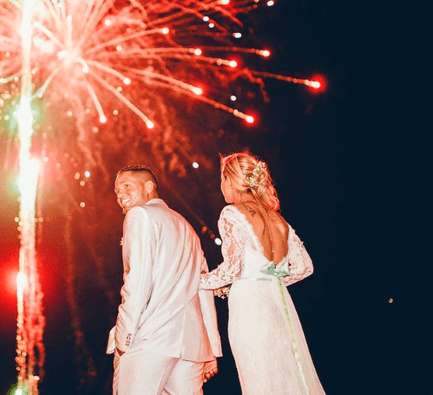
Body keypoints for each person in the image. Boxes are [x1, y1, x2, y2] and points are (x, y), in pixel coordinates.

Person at [201, 153, 326, 395]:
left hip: (251, 309)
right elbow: (304, 267)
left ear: (231, 180)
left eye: (222, 180)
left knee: (259, 378)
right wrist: (270, 280)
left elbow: (233, 268)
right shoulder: (278, 219)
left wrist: (198, 280)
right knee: (287, 376)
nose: (221, 187)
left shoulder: (231, 213)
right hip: (279, 303)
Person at [107, 165, 221, 395]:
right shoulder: (187, 226)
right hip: (191, 345)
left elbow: (137, 282)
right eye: (117, 191)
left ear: (149, 187)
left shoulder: (140, 215)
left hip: (151, 339)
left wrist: (124, 338)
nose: (120, 195)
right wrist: (211, 349)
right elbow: (203, 288)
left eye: (127, 186)